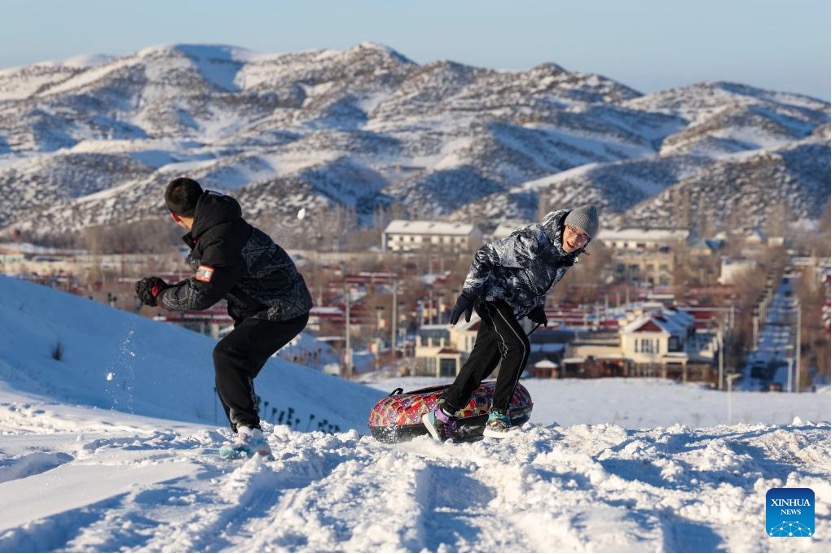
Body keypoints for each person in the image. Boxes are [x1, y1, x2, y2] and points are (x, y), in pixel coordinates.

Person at [135, 177, 313, 457]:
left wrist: (161, 296)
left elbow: (202, 293)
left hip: (282, 309)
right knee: (231, 373)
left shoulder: (221, 240)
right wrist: (167, 291)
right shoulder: (219, 227)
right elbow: (209, 280)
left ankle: (252, 437)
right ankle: (247, 437)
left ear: (174, 216)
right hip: (268, 307)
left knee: (228, 357)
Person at [422, 205, 599, 441]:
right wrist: (469, 293)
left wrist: (537, 306)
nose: (575, 238)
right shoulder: (535, 241)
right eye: (573, 230)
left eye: (583, 236)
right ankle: (498, 417)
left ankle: (442, 415)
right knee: (518, 347)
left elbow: (533, 280)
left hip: (512, 307)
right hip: (493, 297)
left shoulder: (564, 256)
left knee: (483, 362)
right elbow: (486, 254)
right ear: (565, 225)